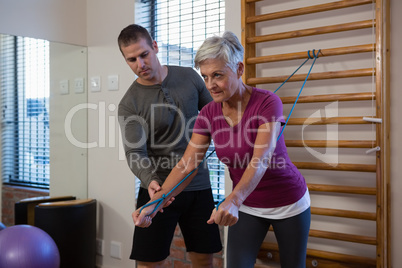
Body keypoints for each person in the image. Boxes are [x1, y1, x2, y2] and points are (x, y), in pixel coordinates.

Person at [133, 31, 311, 268]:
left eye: (217, 75)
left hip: (288, 201)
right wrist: (156, 202)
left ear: (238, 69)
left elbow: (262, 158)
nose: (210, 85)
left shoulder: (268, 102)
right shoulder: (209, 113)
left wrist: (234, 200)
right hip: (248, 205)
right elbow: (188, 164)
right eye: (205, 77)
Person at [117, 24, 222, 268]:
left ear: (154, 47)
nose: (139, 64)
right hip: (158, 190)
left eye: (143, 55)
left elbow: (216, 116)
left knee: (204, 259)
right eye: (131, 59)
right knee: (149, 263)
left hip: (198, 186)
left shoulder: (189, 76)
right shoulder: (129, 104)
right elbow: (135, 153)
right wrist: (150, 179)